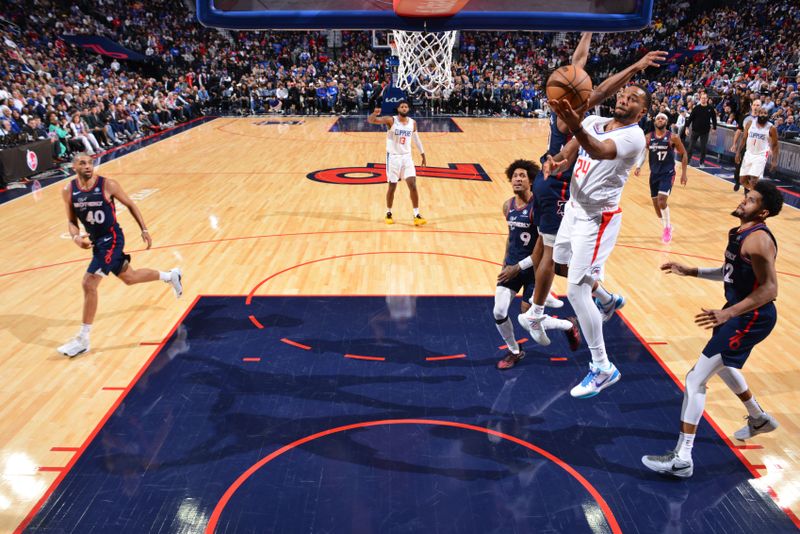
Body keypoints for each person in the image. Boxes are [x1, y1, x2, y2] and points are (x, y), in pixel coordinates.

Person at [526, 37, 667, 345]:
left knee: (553, 255)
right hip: (561, 181)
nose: (582, 81)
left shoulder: (581, 113)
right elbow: (590, 78)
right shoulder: (575, 109)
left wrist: (593, 29)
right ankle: (594, 295)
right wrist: (631, 63)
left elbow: (585, 72)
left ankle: (539, 308)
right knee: (550, 251)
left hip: (572, 192)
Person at [642, 181, 782, 477]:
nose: (744, 200)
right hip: (739, 316)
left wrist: (728, 313)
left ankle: (682, 458)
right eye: (747, 195)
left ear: (764, 212)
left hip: (751, 318)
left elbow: (770, 289)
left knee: (695, 379)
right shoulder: (739, 233)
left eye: (752, 200)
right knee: (723, 366)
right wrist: (692, 270)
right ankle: (758, 418)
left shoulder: (758, 240)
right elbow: (729, 271)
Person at [527, 85, 650, 398]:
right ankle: (607, 299)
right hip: (574, 208)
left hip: (598, 218)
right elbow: (570, 154)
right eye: (623, 96)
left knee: (576, 291)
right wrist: (556, 163)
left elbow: (597, 150)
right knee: (561, 265)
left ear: (642, 111)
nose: (624, 100)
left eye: (633, 99)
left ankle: (602, 366)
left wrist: (577, 124)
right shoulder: (596, 120)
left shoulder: (633, 137)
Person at [57, 154, 183, 357]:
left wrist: (144, 229)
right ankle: (171, 276)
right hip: (97, 243)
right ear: (74, 167)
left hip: (113, 238)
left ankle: (83, 339)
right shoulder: (69, 190)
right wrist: (76, 238)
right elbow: (71, 221)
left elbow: (131, 205)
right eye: (83, 163)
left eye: (90, 163)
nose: (88, 166)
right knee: (129, 278)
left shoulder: (108, 185)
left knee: (89, 284)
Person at [494, 159, 580, 370]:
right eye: (514, 175)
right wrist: (505, 262)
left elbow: (540, 251)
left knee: (528, 316)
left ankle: (568, 325)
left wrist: (517, 267)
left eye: (522, 175)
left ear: (531, 181)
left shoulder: (539, 207)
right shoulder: (508, 205)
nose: (518, 179)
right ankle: (514, 351)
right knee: (498, 311)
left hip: (534, 269)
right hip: (513, 266)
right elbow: (510, 236)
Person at [367, 100, 427, 225]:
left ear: (408, 109)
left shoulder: (413, 123)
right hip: (393, 157)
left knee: (413, 184)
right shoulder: (391, 120)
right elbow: (371, 121)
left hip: (407, 157)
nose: (404, 108)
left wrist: (422, 153)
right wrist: (374, 114)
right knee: (392, 186)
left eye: (406, 106)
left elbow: (416, 138)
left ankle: (416, 214)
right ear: (398, 109)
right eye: (402, 106)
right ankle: (388, 213)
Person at [634, 112, 688, 243]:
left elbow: (684, 153)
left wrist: (684, 173)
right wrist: (639, 166)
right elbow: (643, 153)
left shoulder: (673, 137)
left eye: (662, 118)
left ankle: (667, 229)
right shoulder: (648, 137)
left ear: (666, 122)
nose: (660, 120)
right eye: (658, 118)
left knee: (662, 201)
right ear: (654, 122)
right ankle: (666, 225)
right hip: (654, 174)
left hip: (668, 173)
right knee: (657, 208)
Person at [735, 107, 779, 193]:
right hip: (749, 153)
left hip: (761, 155)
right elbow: (744, 138)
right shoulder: (750, 123)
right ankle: (759, 194)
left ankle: (753, 198)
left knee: (754, 179)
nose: (763, 115)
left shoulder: (771, 128)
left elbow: (775, 145)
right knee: (742, 180)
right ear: (757, 114)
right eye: (761, 113)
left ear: (768, 115)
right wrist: (738, 152)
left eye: (765, 113)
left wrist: (774, 160)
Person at [730, 98, 761, 192]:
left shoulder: (763, 119)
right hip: (745, 146)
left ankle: (747, 190)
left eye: (758, 105)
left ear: (761, 107)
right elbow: (739, 131)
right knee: (738, 167)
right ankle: (737, 180)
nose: (756, 107)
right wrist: (734, 144)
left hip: (756, 149)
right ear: (751, 106)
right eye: (754, 105)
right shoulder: (745, 118)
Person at [685, 92, 717, 167]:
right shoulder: (696, 108)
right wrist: (687, 127)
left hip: (705, 131)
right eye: (702, 98)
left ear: (707, 99)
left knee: (704, 148)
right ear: (700, 99)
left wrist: (714, 128)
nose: (704, 99)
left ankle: (701, 162)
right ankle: (687, 161)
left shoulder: (710, 108)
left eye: (705, 98)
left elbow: (714, 118)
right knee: (690, 147)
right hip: (695, 130)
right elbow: (690, 118)